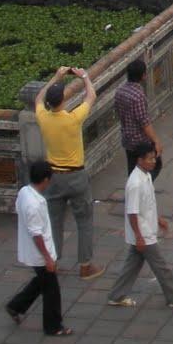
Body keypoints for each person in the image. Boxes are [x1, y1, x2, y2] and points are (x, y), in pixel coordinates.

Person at [106, 141, 173, 311]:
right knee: (162, 267)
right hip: (143, 234)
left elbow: (146, 205)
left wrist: (158, 218)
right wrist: (139, 236)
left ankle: (116, 296)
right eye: (150, 159)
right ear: (140, 160)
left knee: (132, 266)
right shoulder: (135, 184)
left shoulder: (146, 175)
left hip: (144, 230)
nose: (153, 162)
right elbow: (132, 213)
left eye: (154, 158)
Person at [35, 66, 103, 280]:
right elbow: (92, 95)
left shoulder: (43, 117)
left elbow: (38, 98)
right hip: (76, 176)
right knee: (84, 220)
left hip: (53, 177)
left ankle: (53, 261)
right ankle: (85, 265)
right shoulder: (73, 118)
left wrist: (56, 76)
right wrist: (84, 77)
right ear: (63, 99)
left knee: (54, 221)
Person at [4, 161, 72, 337]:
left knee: (41, 282)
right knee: (52, 291)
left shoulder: (24, 192)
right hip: (40, 254)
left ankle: (16, 306)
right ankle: (53, 326)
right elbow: (37, 234)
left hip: (36, 252)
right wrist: (48, 258)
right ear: (45, 179)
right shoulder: (34, 204)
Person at [114, 60, 162, 178]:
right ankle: (141, 190)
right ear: (143, 75)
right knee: (154, 165)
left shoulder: (120, 91)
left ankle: (134, 192)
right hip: (140, 141)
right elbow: (144, 122)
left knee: (133, 169)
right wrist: (156, 140)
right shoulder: (138, 96)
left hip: (127, 138)